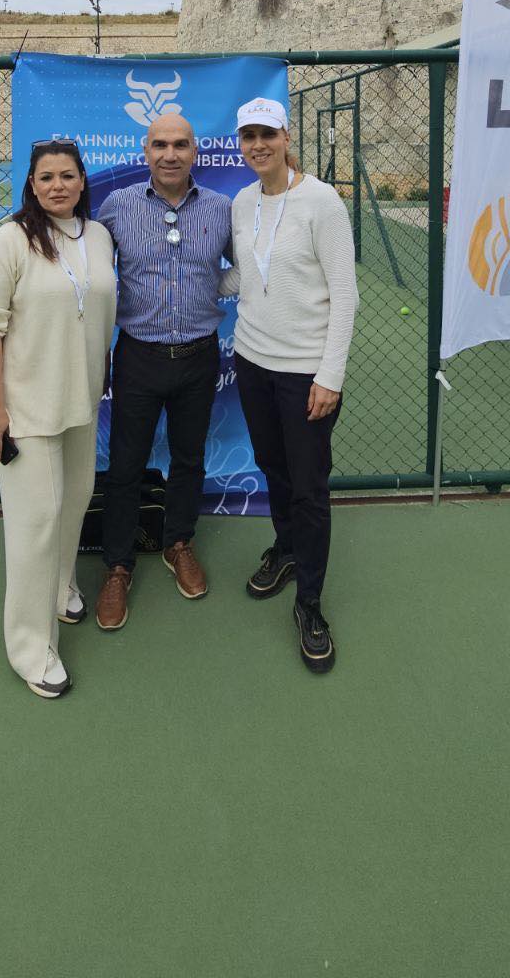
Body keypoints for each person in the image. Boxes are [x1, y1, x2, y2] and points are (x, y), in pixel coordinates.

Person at [0, 140, 116, 699]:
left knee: (73, 504)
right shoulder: (8, 243)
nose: (58, 185)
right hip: (27, 411)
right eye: (47, 177)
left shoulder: (97, 236)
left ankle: (60, 589)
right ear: (31, 185)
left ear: (82, 181)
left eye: (67, 175)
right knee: (35, 528)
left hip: (81, 402)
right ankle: (31, 649)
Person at [221, 96, 358, 673]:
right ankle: (286, 548)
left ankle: (310, 604)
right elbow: (245, 276)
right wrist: (186, 284)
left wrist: (330, 375)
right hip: (252, 362)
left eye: (267, 135)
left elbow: (345, 294)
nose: (258, 146)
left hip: (306, 373)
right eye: (248, 137)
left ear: (285, 137)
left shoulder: (321, 201)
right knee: (273, 468)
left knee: (309, 488)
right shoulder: (242, 202)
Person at [93, 113, 233, 630]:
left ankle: (179, 543)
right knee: (125, 465)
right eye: (159, 145)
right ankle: (118, 565)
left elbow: (253, 264)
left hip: (200, 356)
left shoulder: (221, 209)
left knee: (189, 458)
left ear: (195, 151)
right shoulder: (117, 206)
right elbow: (87, 268)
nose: (169, 154)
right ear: (146, 151)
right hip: (138, 357)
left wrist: (214, 287)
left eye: (179, 145)